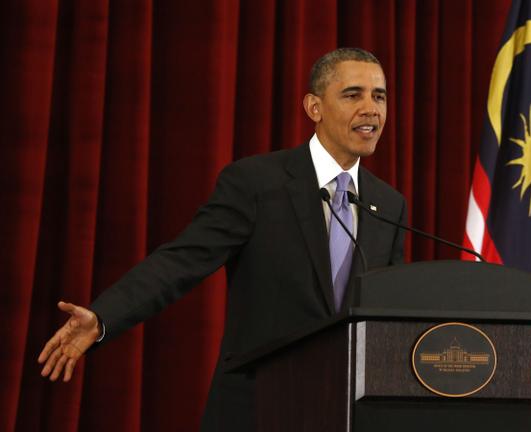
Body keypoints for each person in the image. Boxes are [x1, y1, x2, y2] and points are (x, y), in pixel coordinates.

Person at [37, 47, 407, 431]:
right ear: (314, 107)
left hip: (344, 415)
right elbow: (181, 261)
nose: (371, 108)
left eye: (379, 96)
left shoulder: (388, 204)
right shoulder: (257, 183)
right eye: (353, 95)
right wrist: (102, 318)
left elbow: (389, 315)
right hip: (258, 409)